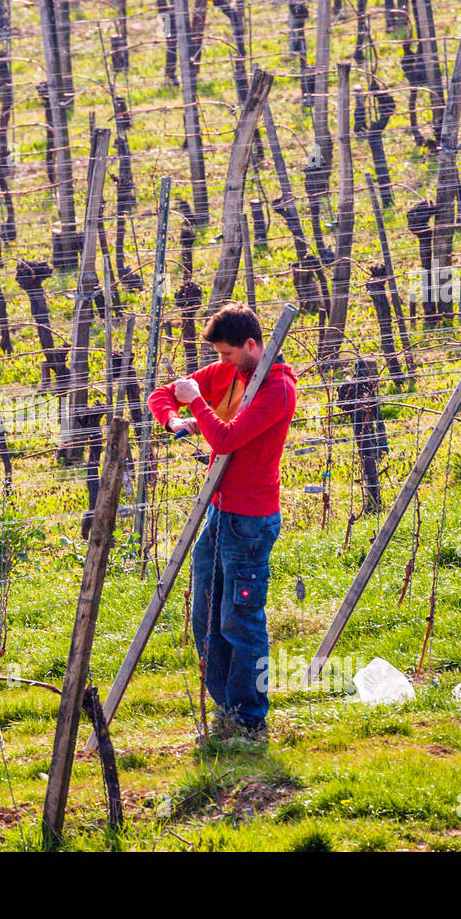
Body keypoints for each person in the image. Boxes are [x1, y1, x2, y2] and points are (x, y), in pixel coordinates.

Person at [147, 303, 297, 743]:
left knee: (241, 618)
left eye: (228, 354)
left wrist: (198, 407)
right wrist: (175, 418)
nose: (222, 362)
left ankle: (250, 718)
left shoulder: (277, 390)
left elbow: (227, 438)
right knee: (207, 611)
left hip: (251, 519)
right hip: (219, 511)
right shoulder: (230, 373)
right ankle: (225, 705)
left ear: (251, 346)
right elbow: (166, 392)